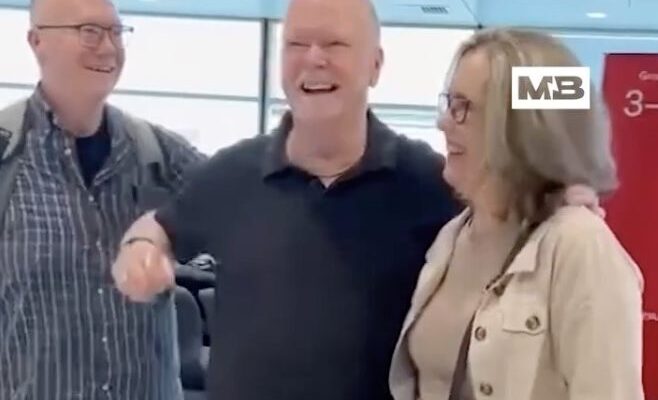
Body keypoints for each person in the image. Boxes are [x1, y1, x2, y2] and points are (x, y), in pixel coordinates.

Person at [111, 1, 602, 400]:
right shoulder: (232, 173)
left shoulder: (430, 180)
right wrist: (140, 247)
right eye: (296, 44)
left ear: (376, 65)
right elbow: (162, 226)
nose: (313, 58)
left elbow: (554, 116)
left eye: (335, 44)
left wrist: (559, 188)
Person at [389, 28, 645, 400]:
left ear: (522, 128)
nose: (443, 123)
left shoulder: (579, 246)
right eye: (449, 103)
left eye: (463, 107)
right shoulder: (452, 235)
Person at [0, 0, 206, 399]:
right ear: (37, 41)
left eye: (116, 33)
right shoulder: (8, 156)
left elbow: (241, 205)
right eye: (90, 32)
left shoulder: (159, 154)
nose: (109, 48)